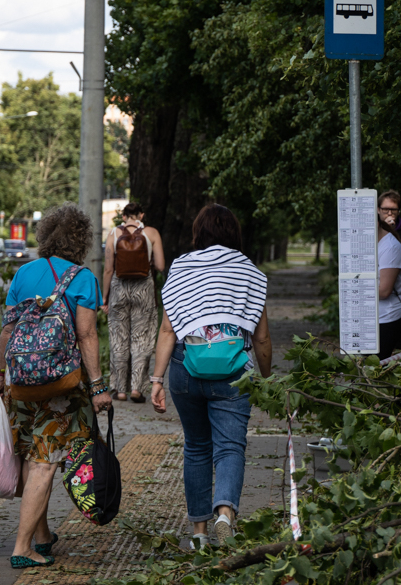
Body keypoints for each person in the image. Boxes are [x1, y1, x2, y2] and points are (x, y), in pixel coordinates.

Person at [0, 203, 114, 569]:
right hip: (61, 386)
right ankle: (22, 546)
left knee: (32, 457)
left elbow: (8, 331)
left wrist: (0, 375)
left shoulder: (24, 274)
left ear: (45, 236)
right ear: (81, 240)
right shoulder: (83, 279)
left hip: (21, 385)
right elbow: (87, 335)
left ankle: (42, 536)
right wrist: (98, 386)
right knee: (45, 464)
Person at [150, 204, 272, 548]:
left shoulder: (182, 267)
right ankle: (225, 513)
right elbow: (261, 336)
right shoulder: (249, 271)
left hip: (185, 369)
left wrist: (156, 380)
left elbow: (166, 330)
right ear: (234, 234)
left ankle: (200, 534)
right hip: (234, 373)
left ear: (197, 233)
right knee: (230, 447)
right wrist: (266, 378)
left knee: (197, 447)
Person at [101, 202, 165, 403]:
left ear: (123, 217)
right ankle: (137, 388)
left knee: (119, 338)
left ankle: (120, 390)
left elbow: (108, 270)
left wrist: (104, 298)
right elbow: (161, 266)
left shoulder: (113, 234)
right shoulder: (151, 233)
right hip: (143, 289)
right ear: (141, 215)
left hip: (119, 289)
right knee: (141, 338)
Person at [377, 208, 401, 360]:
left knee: (377, 370)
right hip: (373, 317)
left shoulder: (390, 248)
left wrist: (352, 291)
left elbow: (384, 291)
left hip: (387, 318)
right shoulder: (374, 244)